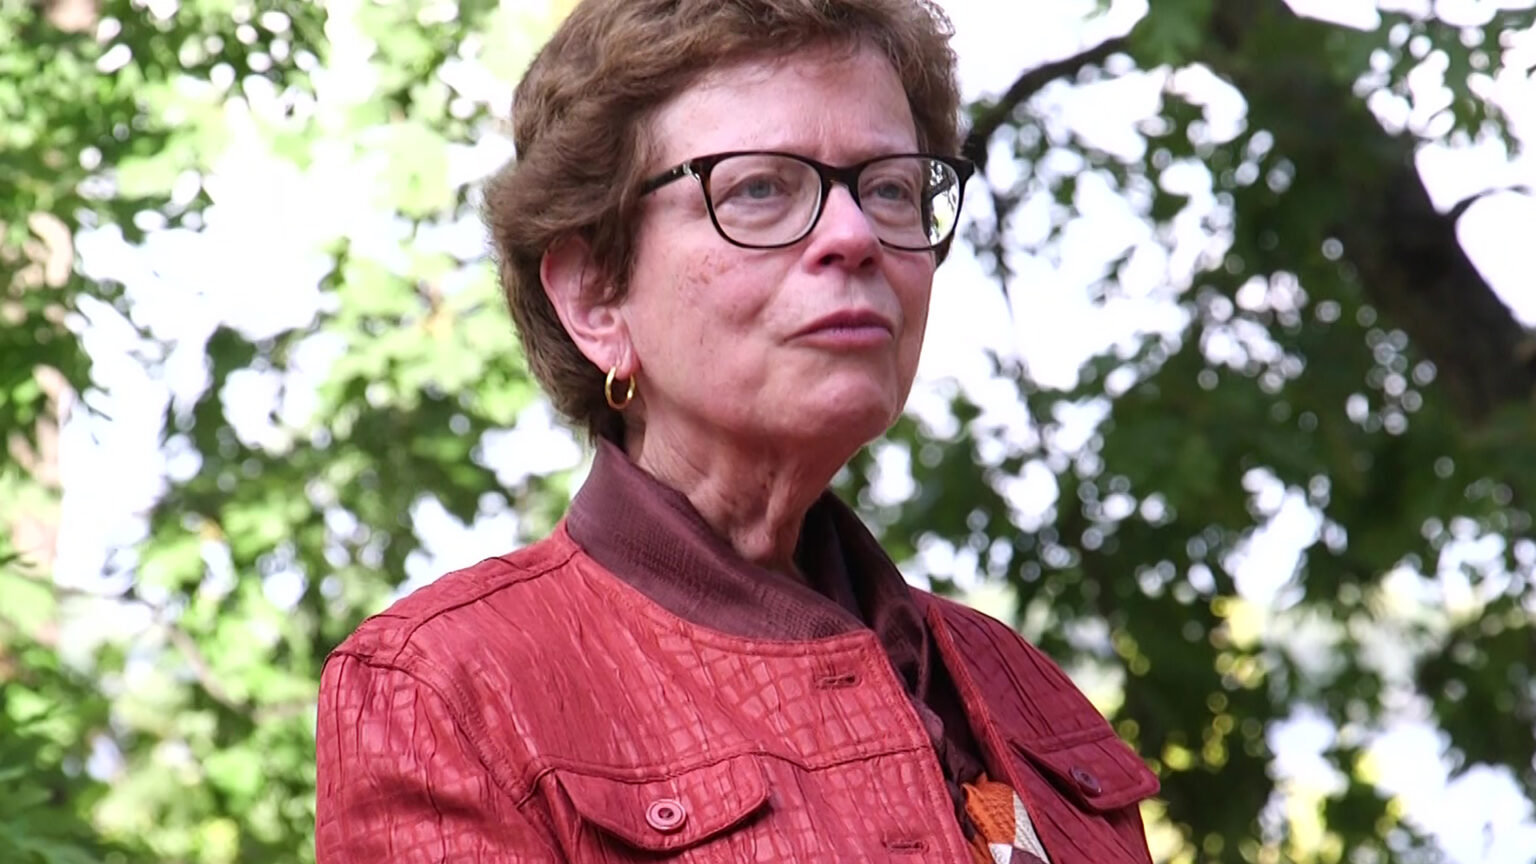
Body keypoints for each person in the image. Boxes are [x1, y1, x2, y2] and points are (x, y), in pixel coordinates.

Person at [314, 1, 1159, 861]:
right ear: (595, 297)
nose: (854, 235)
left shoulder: (1025, 693)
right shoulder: (451, 694)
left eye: (891, 187)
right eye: (760, 187)